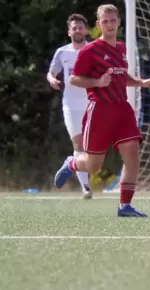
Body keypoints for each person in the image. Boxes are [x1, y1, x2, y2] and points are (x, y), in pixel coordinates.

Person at [54, 4, 150, 217]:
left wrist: (142, 82)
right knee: (93, 165)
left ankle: (125, 206)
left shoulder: (121, 48)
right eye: (105, 21)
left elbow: (123, 76)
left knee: (132, 157)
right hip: (99, 111)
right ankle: (72, 163)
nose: (110, 25)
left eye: (113, 20)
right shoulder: (90, 51)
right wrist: (97, 82)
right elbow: (74, 79)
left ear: (119, 21)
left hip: (122, 110)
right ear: (98, 25)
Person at [47, 14, 92, 199]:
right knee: (79, 145)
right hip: (71, 105)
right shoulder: (62, 52)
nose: (78, 30)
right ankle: (86, 188)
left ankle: (71, 162)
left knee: (94, 148)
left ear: (86, 30)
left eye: (80, 27)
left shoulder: (93, 49)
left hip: (92, 104)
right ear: (69, 31)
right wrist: (52, 80)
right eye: (74, 28)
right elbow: (51, 72)